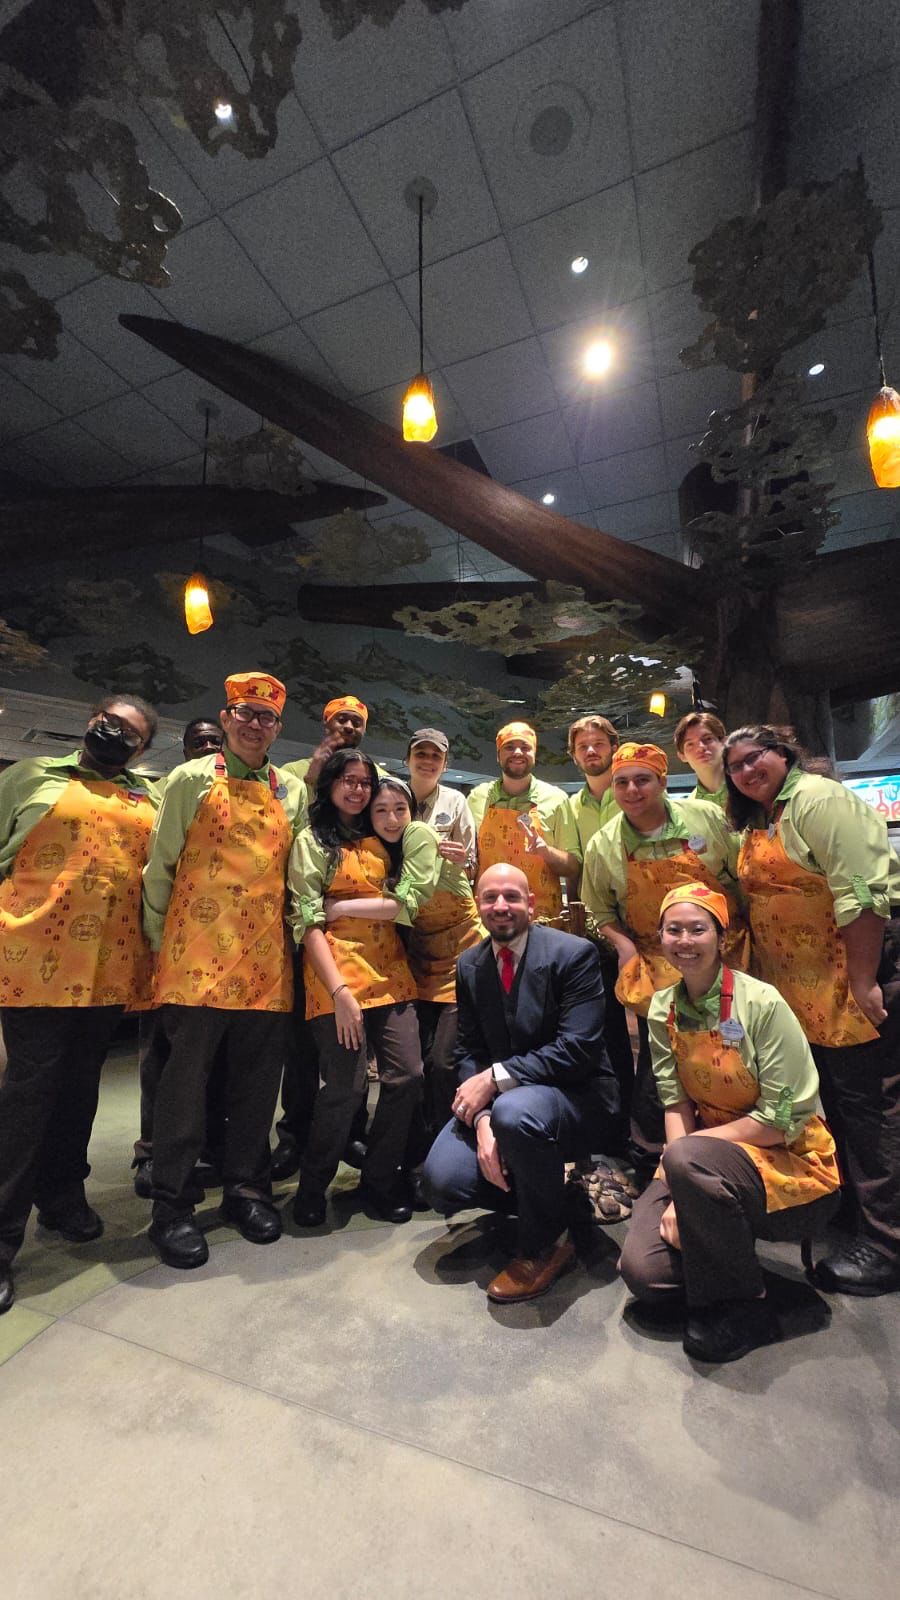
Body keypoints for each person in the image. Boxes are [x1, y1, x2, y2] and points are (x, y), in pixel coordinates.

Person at [619, 882, 840, 1363]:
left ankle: (747, 1307)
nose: (685, 940)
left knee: (688, 1158)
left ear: (722, 938)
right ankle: (724, 1258)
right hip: (700, 1156)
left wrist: (686, 1159)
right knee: (644, 1274)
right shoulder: (663, 1008)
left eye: (698, 929)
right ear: (660, 937)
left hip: (790, 1155)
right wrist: (681, 1182)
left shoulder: (761, 1003)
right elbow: (675, 1101)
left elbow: (783, 1117)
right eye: (673, 929)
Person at [725, 722, 900, 1295]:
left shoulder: (819, 800)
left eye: (757, 758)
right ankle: (853, 1218)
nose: (748, 771)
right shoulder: (766, 818)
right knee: (838, 1108)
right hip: (802, 994)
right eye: (737, 766)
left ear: (784, 753)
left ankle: (887, 1244)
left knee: (873, 1113)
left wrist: (865, 979)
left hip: (849, 984)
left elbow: (863, 893)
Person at [0, 693, 160, 1314]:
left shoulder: (146, 799)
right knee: (27, 1097)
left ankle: (63, 1198)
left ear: (142, 750)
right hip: (32, 964)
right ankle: (3, 1239)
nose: (113, 734)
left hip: (106, 970)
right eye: (109, 722)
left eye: (129, 733)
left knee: (79, 1090)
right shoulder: (30, 776)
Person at [142, 672, 307, 1270]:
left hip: (266, 964)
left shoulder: (290, 789)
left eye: (266, 717)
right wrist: (164, 950)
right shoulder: (187, 780)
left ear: (278, 727)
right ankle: (172, 1206)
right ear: (226, 716)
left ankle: (246, 1189)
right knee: (183, 1092)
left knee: (257, 1087)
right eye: (245, 713)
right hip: (193, 965)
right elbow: (158, 870)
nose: (255, 724)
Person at [423, 863, 620, 1304]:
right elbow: (469, 1050)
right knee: (442, 1180)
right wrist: (483, 1121)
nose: (501, 906)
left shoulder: (574, 955)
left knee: (516, 1114)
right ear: (477, 905)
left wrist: (493, 1083)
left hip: (577, 1097)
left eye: (512, 896)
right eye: (490, 897)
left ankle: (545, 1245)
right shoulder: (470, 963)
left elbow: (577, 1049)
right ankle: (553, 1197)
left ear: (531, 903)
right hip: (508, 1109)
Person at [581, 742, 747, 1177]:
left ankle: (734, 1147)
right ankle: (651, 1153)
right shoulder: (605, 845)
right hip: (656, 962)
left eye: (642, 779)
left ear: (662, 781)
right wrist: (626, 947)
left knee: (730, 1050)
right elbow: (600, 910)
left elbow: (740, 879)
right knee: (661, 1059)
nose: (632, 790)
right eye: (622, 782)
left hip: (723, 955)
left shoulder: (705, 819)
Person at [288, 753, 428, 1227]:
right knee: (345, 1088)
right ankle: (313, 1183)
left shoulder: (387, 837)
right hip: (333, 975)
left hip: (390, 972)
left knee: (407, 1075)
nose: (357, 790)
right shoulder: (311, 842)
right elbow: (307, 920)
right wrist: (340, 993)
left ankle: (378, 1179)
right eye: (348, 781)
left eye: (364, 782)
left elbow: (410, 895)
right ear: (329, 784)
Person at [273, 693, 385, 1179]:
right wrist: (318, 765)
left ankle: (350, 1133)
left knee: (352, 1057)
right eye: (340, 718)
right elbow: (288, 831)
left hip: (365, 950)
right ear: (325, 721)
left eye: (356, 721)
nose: (348, 727)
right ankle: (295, 1137)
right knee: (301, 1052)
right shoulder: (297, 770)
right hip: (301, 933)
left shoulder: (370, 782)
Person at [132, 715, 224, 1198]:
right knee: (163, 1060)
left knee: (205, 1062)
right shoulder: (166, 789)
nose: (206, 747)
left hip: (225, 957)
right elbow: (159, 868)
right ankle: (153, 1153)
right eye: (197, 742)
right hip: (169, 946)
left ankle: (206, 1150)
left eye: (213, 741)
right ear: (183, 748)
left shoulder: (233, 786)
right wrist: (158, 943)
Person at [404, 730, 482, 1134]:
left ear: (446, 764)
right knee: (411, 1058)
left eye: (436, 755)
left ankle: (443, 1135)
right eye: (421, 753)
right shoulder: (393, 797)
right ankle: (410, 1139)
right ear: (408, 759)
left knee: (443, 1058)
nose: (428, 760)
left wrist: (459, 860)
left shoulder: (456, 802)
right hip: (408, 938)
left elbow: (470, 868)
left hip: (455, 936)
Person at [564, 714, 633, 1156]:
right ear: (574, 756)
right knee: (607, 1035)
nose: (591, 751)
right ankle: (617, 1127)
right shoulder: (571, 807)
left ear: (612, 746)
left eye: (597, 744)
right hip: (598, 933)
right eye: (583, 746)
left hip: (644, 927)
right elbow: (574, 870)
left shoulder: (629, 788)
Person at [468, 721, 579, 920]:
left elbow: (572, 867)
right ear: (497, 755)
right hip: (489, 919)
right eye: (509, 747)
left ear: (534, 753)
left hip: (543, 921)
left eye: (525, 747)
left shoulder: (556, 799)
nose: (517, 752)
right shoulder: (477, 798)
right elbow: (469, 863)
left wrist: (547, 852)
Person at [674, 711, 728, 808]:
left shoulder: (747, 786)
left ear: (724, 742)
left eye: (707, 739)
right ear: (682, 756)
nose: (701, 747)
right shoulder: (690, 808)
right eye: (690, 744)